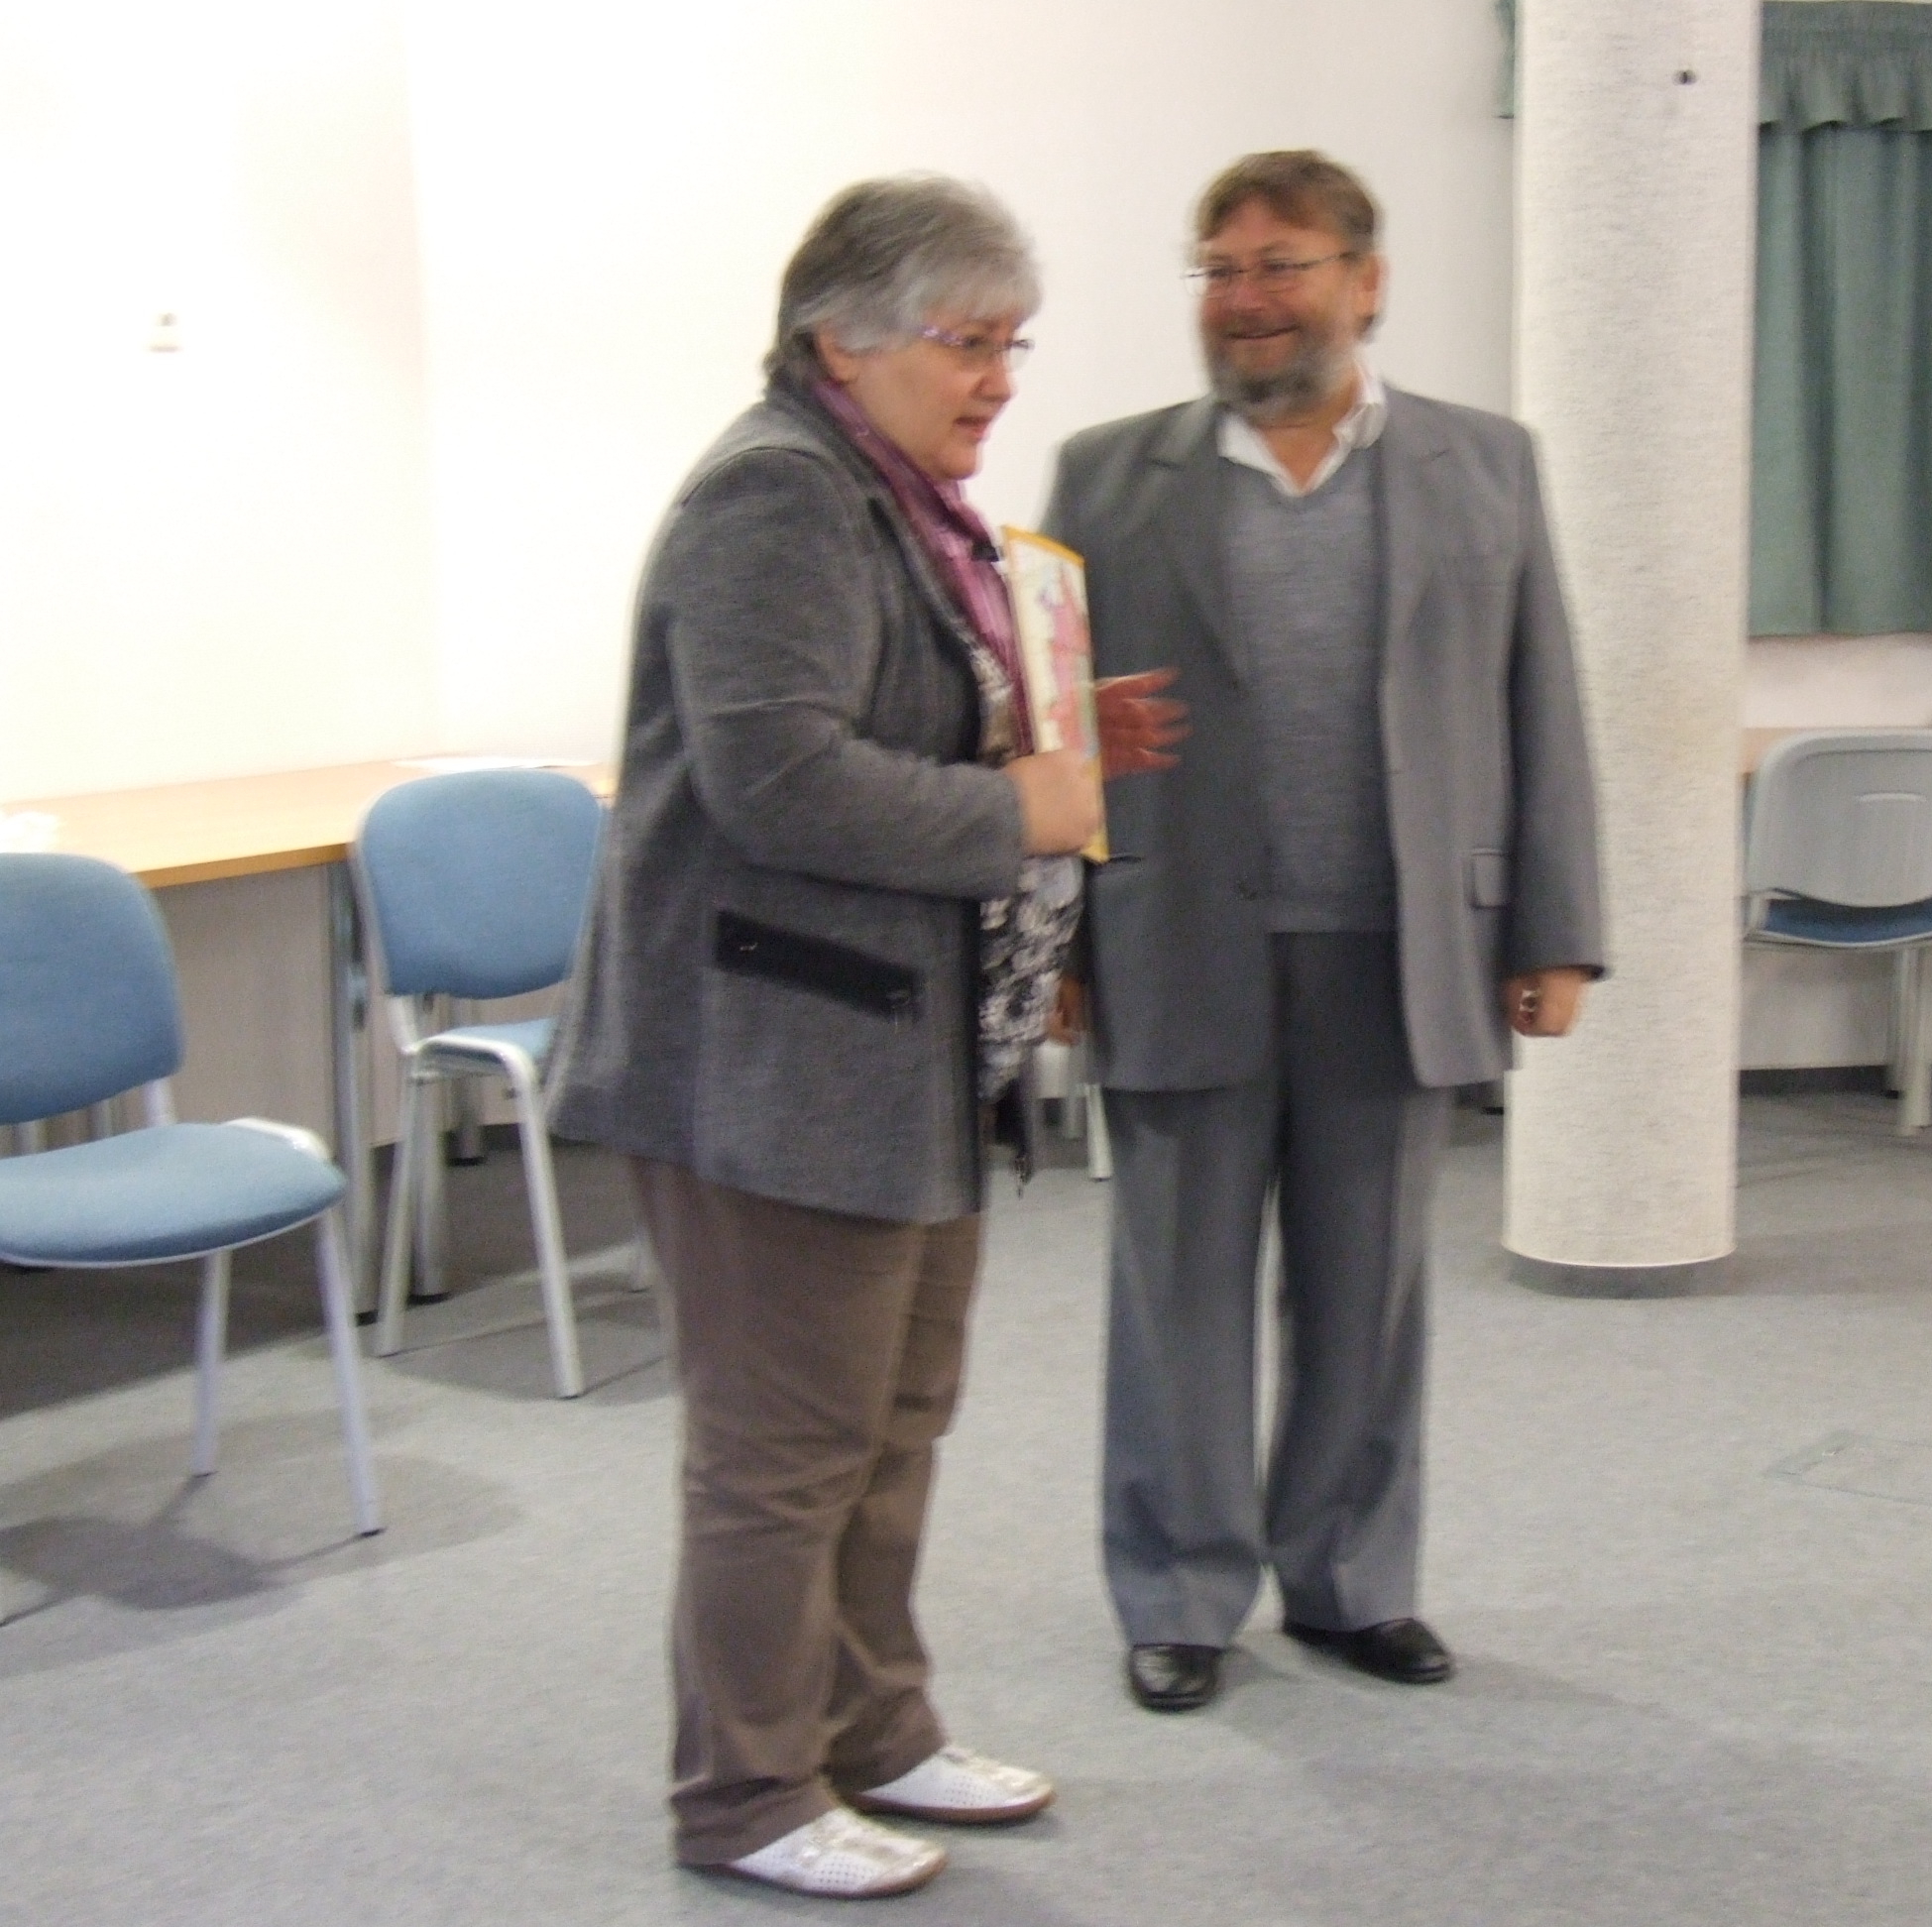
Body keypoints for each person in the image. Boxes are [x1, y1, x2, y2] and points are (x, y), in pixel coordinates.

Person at [547, 176, 1169, 1900]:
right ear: (842, 339)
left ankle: (875, 1731)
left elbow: (888, 719)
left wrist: (1054, 734)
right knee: (783, 1456)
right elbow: (780, 779)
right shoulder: (776, 494)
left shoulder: (899, 502)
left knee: (893, 1424)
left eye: (1012, 345)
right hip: (773, 1062)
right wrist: (1019, 806)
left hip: (901, 1052)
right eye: (968, 344)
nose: (999, 382)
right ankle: (745, 1798)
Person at [1044, 150, 1605, 1714]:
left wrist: (1558, 927)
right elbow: (1053, 730)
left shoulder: (1487, 465)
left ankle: (1353, 1583)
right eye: (1219, 270)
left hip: (1398, 949)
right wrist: (1057, 941)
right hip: (1176, 939)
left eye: (1280, 264)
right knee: (1178, 1298)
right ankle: (1178, 1593)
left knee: (1370, 1299)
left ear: (1367, 281)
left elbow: (1542, 701)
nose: (1246, 300)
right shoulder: (1105, 475)